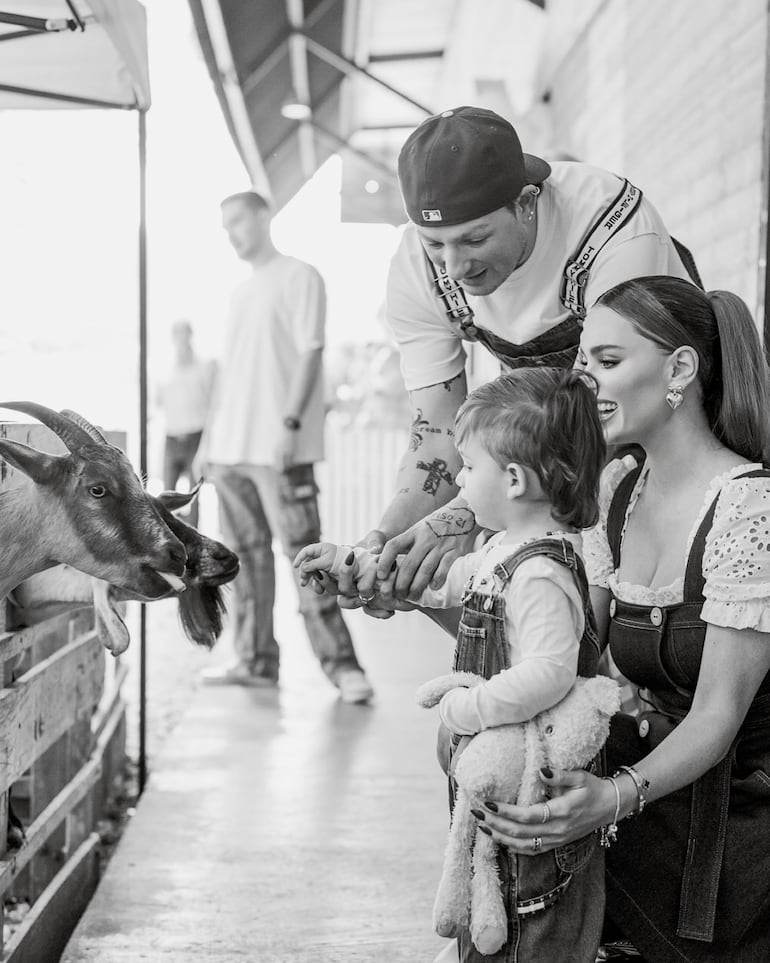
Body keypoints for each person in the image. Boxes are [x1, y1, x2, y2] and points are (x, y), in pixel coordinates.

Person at [473, 276, 770, 962]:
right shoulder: (618, 490)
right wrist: (444, 605)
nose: (586, 381)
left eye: (608, 361)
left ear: (680, 369)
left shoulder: (750, 507)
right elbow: (566, 654)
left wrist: (611, 799)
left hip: (734, 837)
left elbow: (717, 715)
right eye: (584, 363)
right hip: (637, 805)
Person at [296, 367, 609, 962]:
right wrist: (356, 565)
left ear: (514, 479)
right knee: (489, 884)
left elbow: (550, 672)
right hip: (500, 767)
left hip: (534, 783)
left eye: (469, 470)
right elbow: (441, 588)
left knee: (530, 912)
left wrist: (469, 708)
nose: (460, 485)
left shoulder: (541, 570)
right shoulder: (499, 549)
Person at [347, 105, 697, 612]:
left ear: (527, 203)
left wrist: (464, 514)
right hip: (560, 441)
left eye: (475, 238)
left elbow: (598, 406)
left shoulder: (612, 229)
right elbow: (438, 431)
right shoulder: (416, 272)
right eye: (435, 244)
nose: (455, 266)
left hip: (658, 423)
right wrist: (387, 542)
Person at [196, 190, 373, 704]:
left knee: (305, 558)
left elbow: (310, 354)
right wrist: (209, 439)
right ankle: (254, 661)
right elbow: (230, 376)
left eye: (237, 220)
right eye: (223, 224)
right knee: (243, 564)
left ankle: (342, 667)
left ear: (263, 216)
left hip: (279, 449)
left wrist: (291, 426)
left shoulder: (300, 276)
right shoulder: (238, 293)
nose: (231, 232)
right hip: (230, 452)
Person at [155, 319, 217, 528]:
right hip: (172, 437)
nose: (182, 338)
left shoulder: (203, 366)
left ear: (191, 335)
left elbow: (212, 404)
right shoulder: (165, 369)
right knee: (165, 496)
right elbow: (158, 403)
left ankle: (192, 545)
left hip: (195, 436)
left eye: (185, 333)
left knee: (194, 495)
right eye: (178, 334)